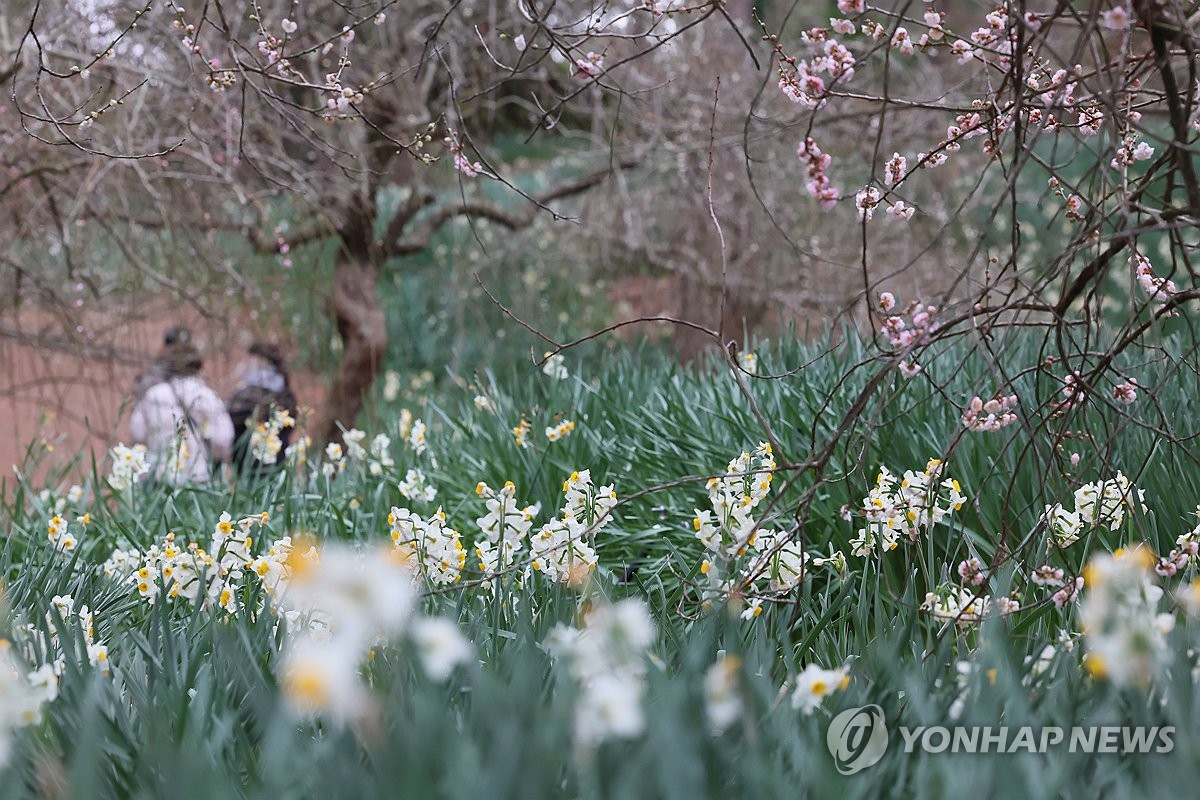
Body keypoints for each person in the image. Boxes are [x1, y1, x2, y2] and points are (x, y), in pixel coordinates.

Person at [130, 327, 234, 484]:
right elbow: (224, 438)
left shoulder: (153, 394)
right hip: (197, 476)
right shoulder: (205, 395)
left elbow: (137, 432)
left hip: (158, 476)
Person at [226, 342, 298, 475]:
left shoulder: (247, 393)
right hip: (275, 457)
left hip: (249, 459)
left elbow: (232, 420)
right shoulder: (284, 392)